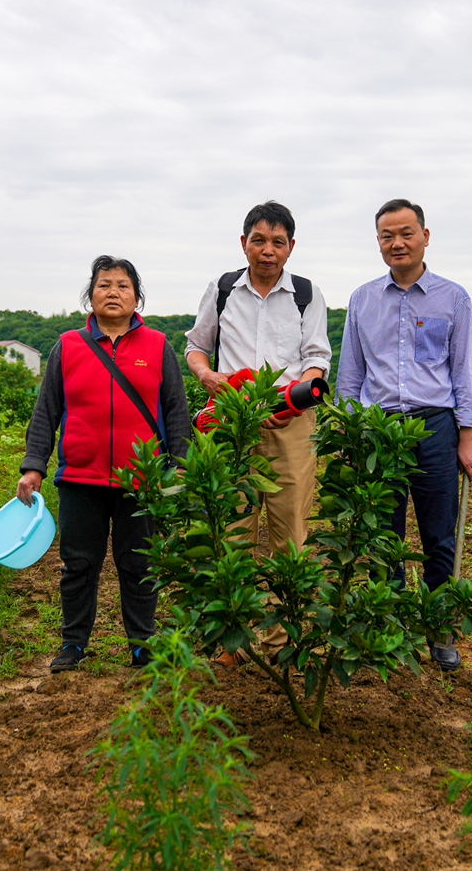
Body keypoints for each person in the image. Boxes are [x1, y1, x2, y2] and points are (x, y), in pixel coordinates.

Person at [17, 256, 191, 672]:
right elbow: (46, 410)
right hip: (80, 476)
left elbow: (176, 411)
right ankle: (73, 643)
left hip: (141, 478)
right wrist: (34, 465)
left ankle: (141, 645)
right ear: (90, 296)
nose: (113, 292)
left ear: (137, 298)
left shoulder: (158, 346)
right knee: (78, 564)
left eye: (123, 286)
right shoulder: (69, 345)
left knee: (139, 564)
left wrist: (182, 464)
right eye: (104, 285)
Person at [335, 199, 472, 671]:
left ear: (425, 235)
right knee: (385, 534)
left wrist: (467, 436)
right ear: (378, 241)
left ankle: (440, 627)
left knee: (439, 533)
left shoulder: (453, 297)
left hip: (436, 426)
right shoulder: (362, 299)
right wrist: (348, 431)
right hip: (379, 428)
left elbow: (463, 372)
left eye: (405, 233)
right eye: (386, 235)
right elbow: (349, 376)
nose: (396, 243)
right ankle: (390, 627)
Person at [185, 201, 332, 665]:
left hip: (289, 420)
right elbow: (196, 347)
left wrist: (290, 397)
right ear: (244, 242)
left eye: (278, 242)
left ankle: (282, 640)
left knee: (291, 529)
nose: (268, 251)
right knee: (234, 529)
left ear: (291, 248)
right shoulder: (223, 289)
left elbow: (317, 358)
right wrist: (209, 378)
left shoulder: (306, 294)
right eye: (259, 241)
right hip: (232, 418)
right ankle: (235, 641)